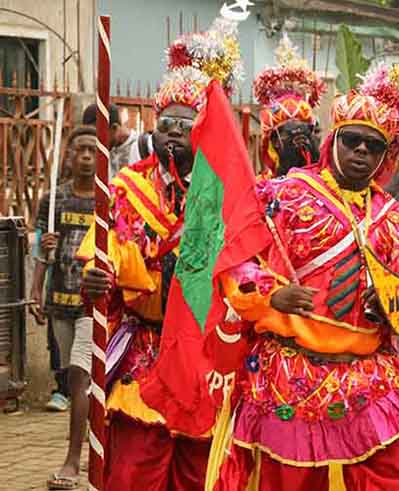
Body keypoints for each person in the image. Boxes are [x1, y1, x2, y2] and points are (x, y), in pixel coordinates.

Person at [203, 64, 399, 491]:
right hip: (289, 374)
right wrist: (271, 295)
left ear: (384, 157)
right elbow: (234, 260)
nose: (361, 152)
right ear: (332, 140)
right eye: (352, 140)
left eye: (373, 146)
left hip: (369, 376)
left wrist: (392, 307)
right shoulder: (280, 197)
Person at [76, 18, 243, 491]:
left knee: (199, 473)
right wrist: (96, 279)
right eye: (165, 123)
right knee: (133, 473)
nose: (172, 133)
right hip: (144, 354)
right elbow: (101, 260)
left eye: (185, 126)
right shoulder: (126, 188)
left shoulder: (227, 198)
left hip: (202, 355)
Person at [30, 125, 96, 490]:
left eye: (91, 150)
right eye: (79, 150)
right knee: (72, 378)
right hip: (60, 300)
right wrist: (35, 289)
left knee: (79, 376)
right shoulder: (54, 200)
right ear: (68, 156)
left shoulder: (109, 198)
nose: (85, 157)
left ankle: (74, 460)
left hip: (92, 304)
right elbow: (41, 250)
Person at [254, 33, 325, 177]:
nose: (300, 139)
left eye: (304, 130)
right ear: (274, 142)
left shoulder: (330, 186)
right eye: (291, 132)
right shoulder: (260, 187)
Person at [82, 103, 145, 176]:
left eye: (97, 135)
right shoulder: (101, 150)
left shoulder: (143, 147)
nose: (95, 141)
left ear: (114, 128)